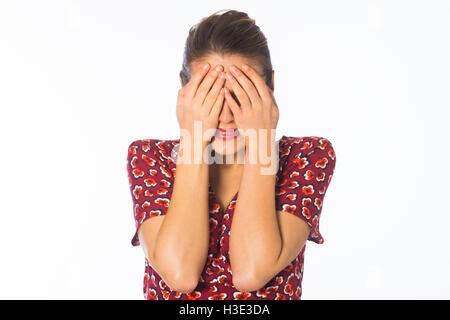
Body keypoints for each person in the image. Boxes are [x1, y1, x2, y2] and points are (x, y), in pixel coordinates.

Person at [126, 9, 336, 300]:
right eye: (210, 96)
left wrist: (262, 143)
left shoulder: (306, 156)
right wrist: (194, 141)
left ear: (270, 87)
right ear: (185, 92)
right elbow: (180, 274)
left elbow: (251, 271)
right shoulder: (151, 157)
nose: (225, 116)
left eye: (240, 95)